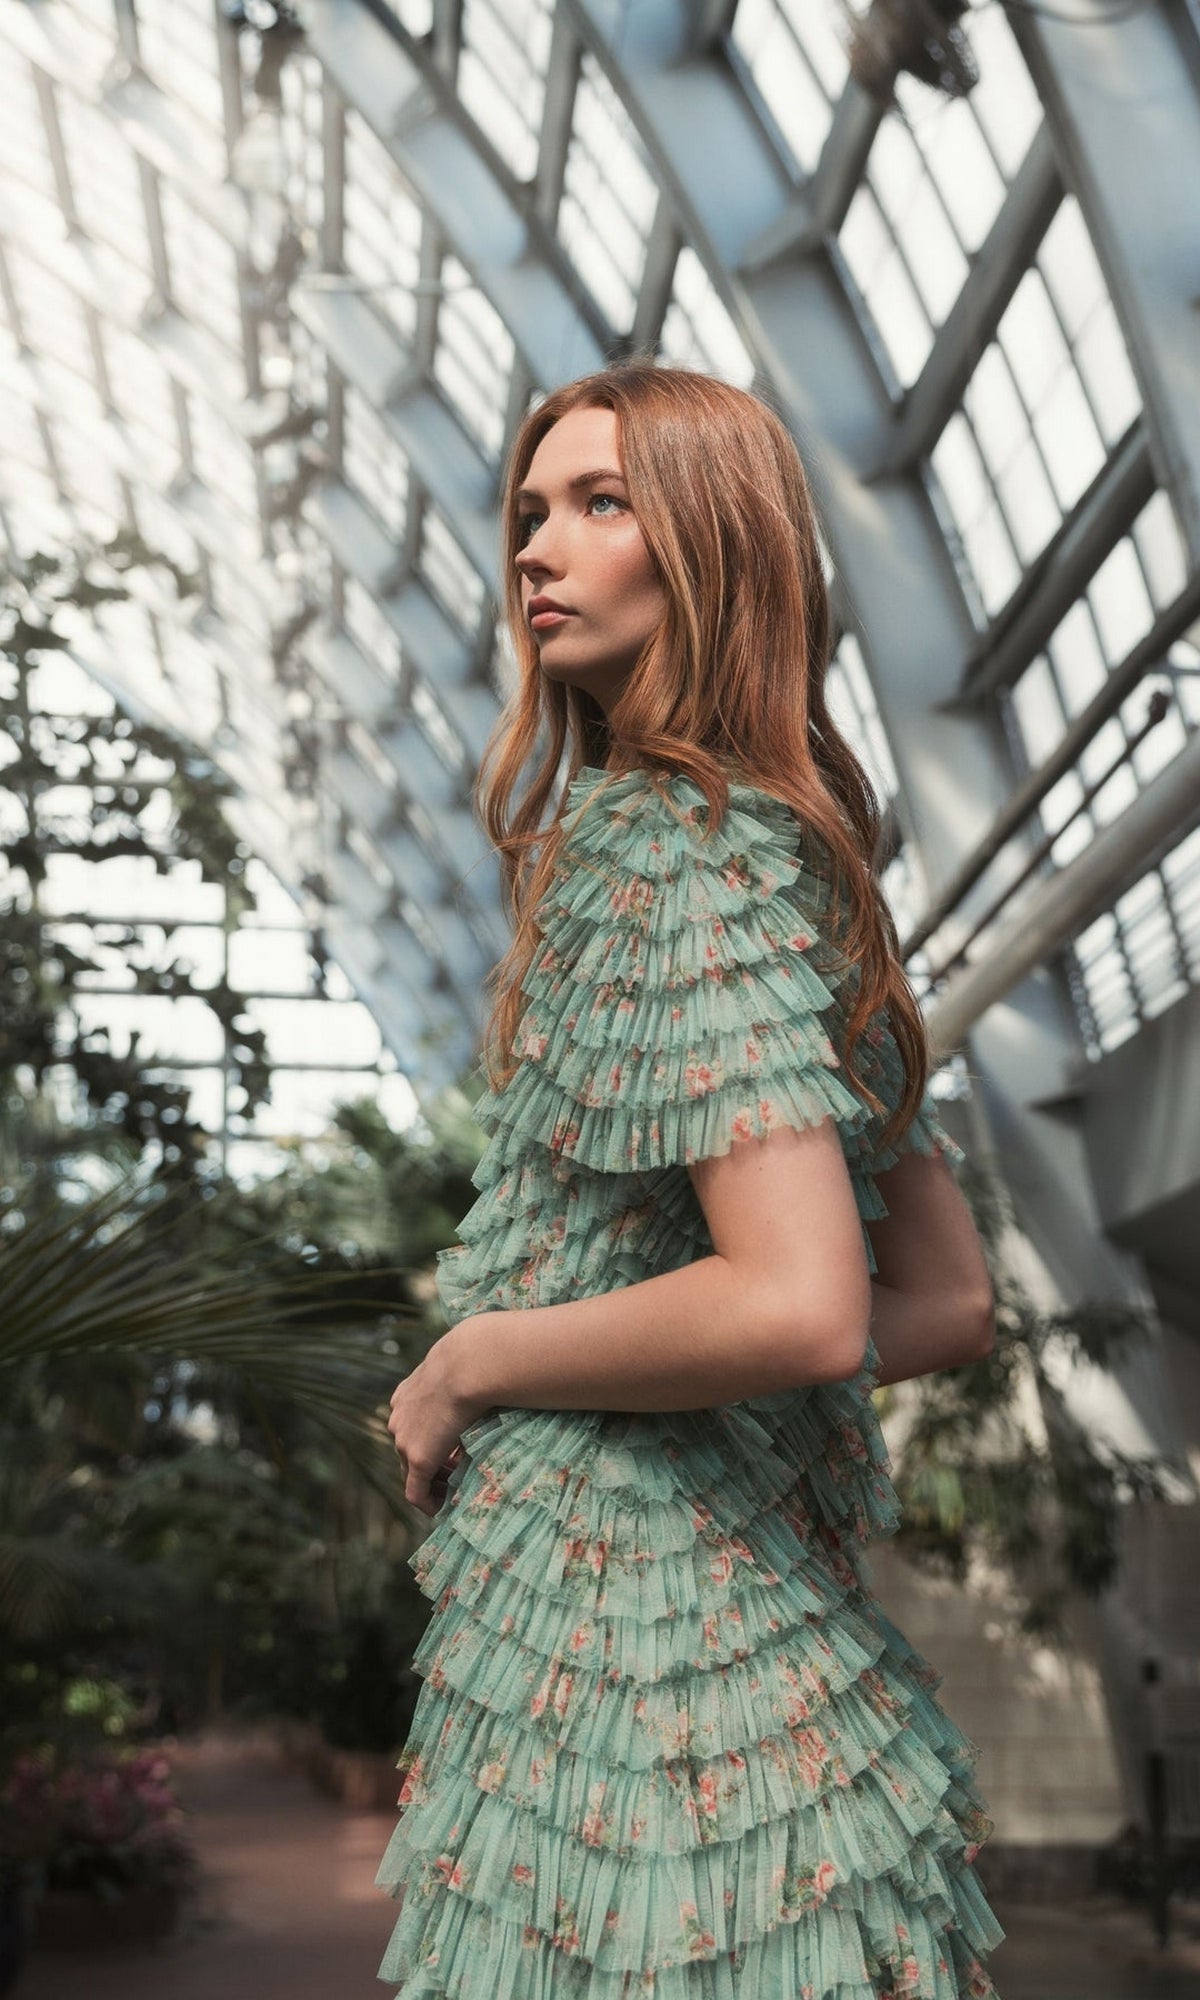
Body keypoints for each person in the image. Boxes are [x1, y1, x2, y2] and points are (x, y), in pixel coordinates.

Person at [377, 363, 1005, 1999]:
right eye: (529, 512)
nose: (538, 551)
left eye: (601, 504)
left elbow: (802, 1307)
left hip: (633, 1674)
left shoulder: (669, 844)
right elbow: (943, 1298)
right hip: (731, 1651)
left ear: (714, 542)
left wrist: (473, 1359)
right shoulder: (785, 854)